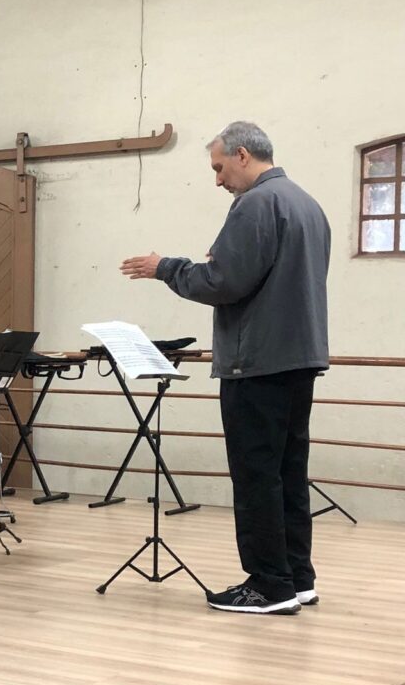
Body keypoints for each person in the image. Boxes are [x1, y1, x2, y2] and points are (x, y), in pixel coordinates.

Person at [120, 121, 330, 615]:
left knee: (257, 475)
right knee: (288, 474)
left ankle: (267, 586)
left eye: (218, 168)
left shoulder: (256, 203)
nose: (217, 180)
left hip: (255, 360)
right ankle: (298, 578)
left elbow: (222, 281)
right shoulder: (307, 203)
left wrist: (165, 266)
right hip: (298, 358)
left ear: (241, 154)